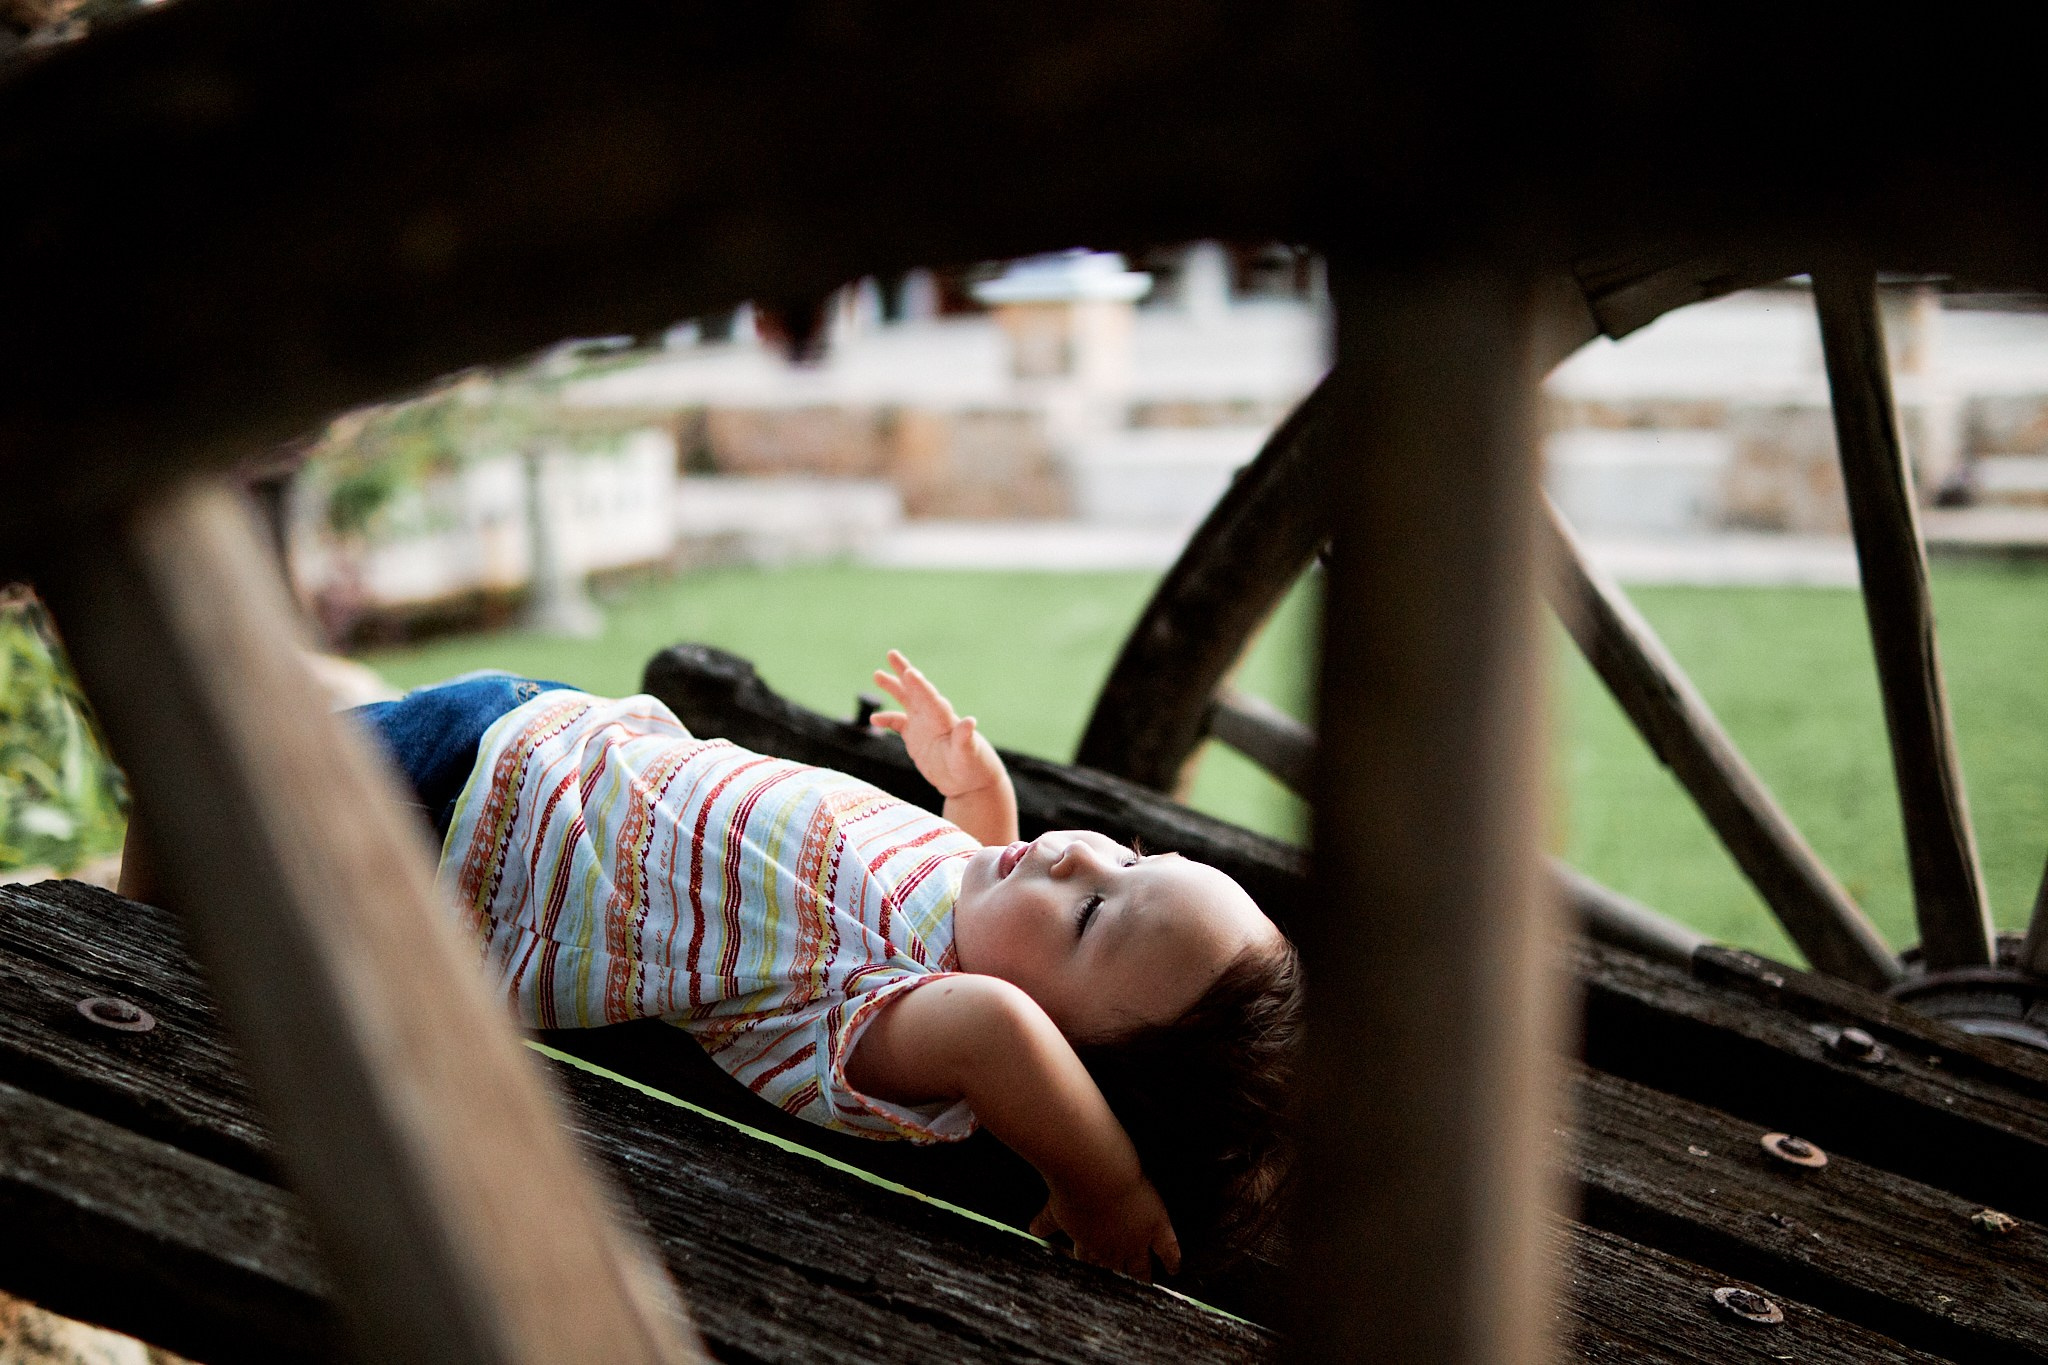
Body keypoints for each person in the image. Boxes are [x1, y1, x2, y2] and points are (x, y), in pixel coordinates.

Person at [132, 651, 1302, 1280]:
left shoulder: (897, 1024)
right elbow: (1000, 929)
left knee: (190, 778)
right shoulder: (974, 904)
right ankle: (129, 927)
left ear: (1064, 1070)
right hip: (543, 731)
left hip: (463, 825)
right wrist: (973, 796)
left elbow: (996, 1030)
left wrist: (1103, 1187)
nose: (1077, 852)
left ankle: (117, 941)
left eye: (1093, 917)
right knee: (200, 777)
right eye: (1129, 858)